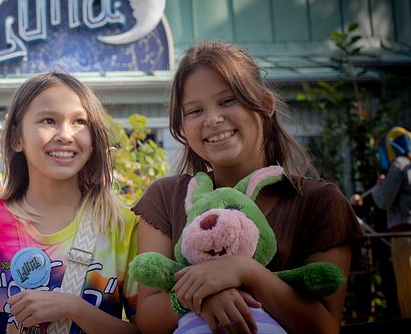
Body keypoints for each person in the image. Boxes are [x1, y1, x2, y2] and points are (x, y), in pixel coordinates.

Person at [133, 41, 363, 333]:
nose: (213, 119)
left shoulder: (319, 201)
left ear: (265, 105)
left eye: (227, 101)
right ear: (183, 126)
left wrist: (245, 272)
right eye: (195, 111)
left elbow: (324, 326)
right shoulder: (165, 197)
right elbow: (148, 319)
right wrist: (205, 295)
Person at [0, 72, 139, 334]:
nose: (65, 135)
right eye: (48, 120)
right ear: (16, 139)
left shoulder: (123, 224)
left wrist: (73, 308)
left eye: (79, 121)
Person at [371, 126, 411, 318]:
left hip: (404, 236)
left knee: (407, 287)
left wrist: (379, 186)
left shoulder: (399, 164)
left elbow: (384, 200)